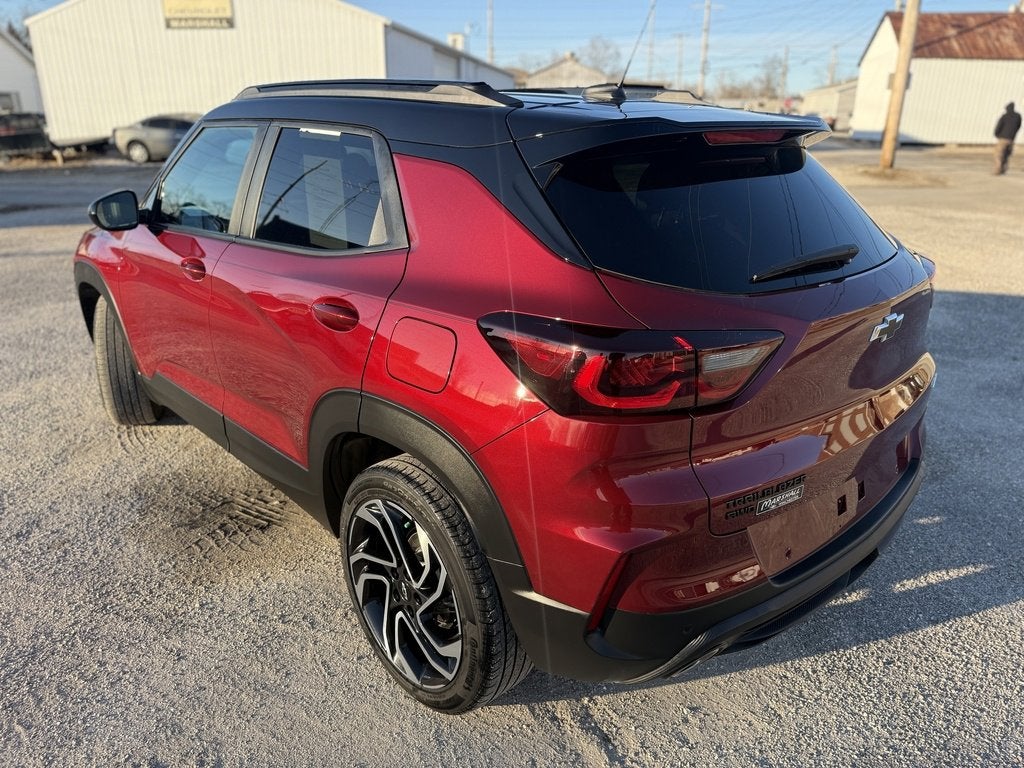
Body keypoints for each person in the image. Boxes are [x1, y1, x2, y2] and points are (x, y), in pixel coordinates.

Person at [993, 102, 1022, 175]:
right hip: (1011, 139)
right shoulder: (1018, 116)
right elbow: (1018, 126)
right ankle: (1004, 169)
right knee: (1006, 155)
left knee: (999, 155)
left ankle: (998, 170)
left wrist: (997, 134)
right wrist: (1013, 134)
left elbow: (999, 126)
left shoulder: (1004, 116)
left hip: (1003, 138)